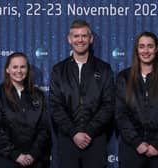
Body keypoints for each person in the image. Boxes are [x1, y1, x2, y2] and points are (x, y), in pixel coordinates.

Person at [49, 19, 114, 168]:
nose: (80, 40)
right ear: (69, 39)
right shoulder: (58, 70)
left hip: (95, 139)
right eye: (76, 36)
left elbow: (108, 105)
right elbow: (55, 106)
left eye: (84, 36)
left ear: (91, 39)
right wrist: (74, 133)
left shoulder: (104, 69)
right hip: (68, 140)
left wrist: (89, 131)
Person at [0, 52, 51, 168]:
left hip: (34, 161)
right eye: (15, 67)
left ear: (27, 70)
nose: (19, 71)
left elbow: (44, 129)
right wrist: (15, 155)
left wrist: (33, 154)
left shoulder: (38, 95)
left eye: (23, 67)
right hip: (6, 160)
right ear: (7, 69)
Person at [116, 32, 158, 168]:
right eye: (142, 46)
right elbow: (120, 114)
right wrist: (137, 142)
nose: (146, 51)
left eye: (150, 46)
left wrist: (156, 144)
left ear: (156, 49)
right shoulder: (124, 77)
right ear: (136, 50)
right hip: (132, 149)